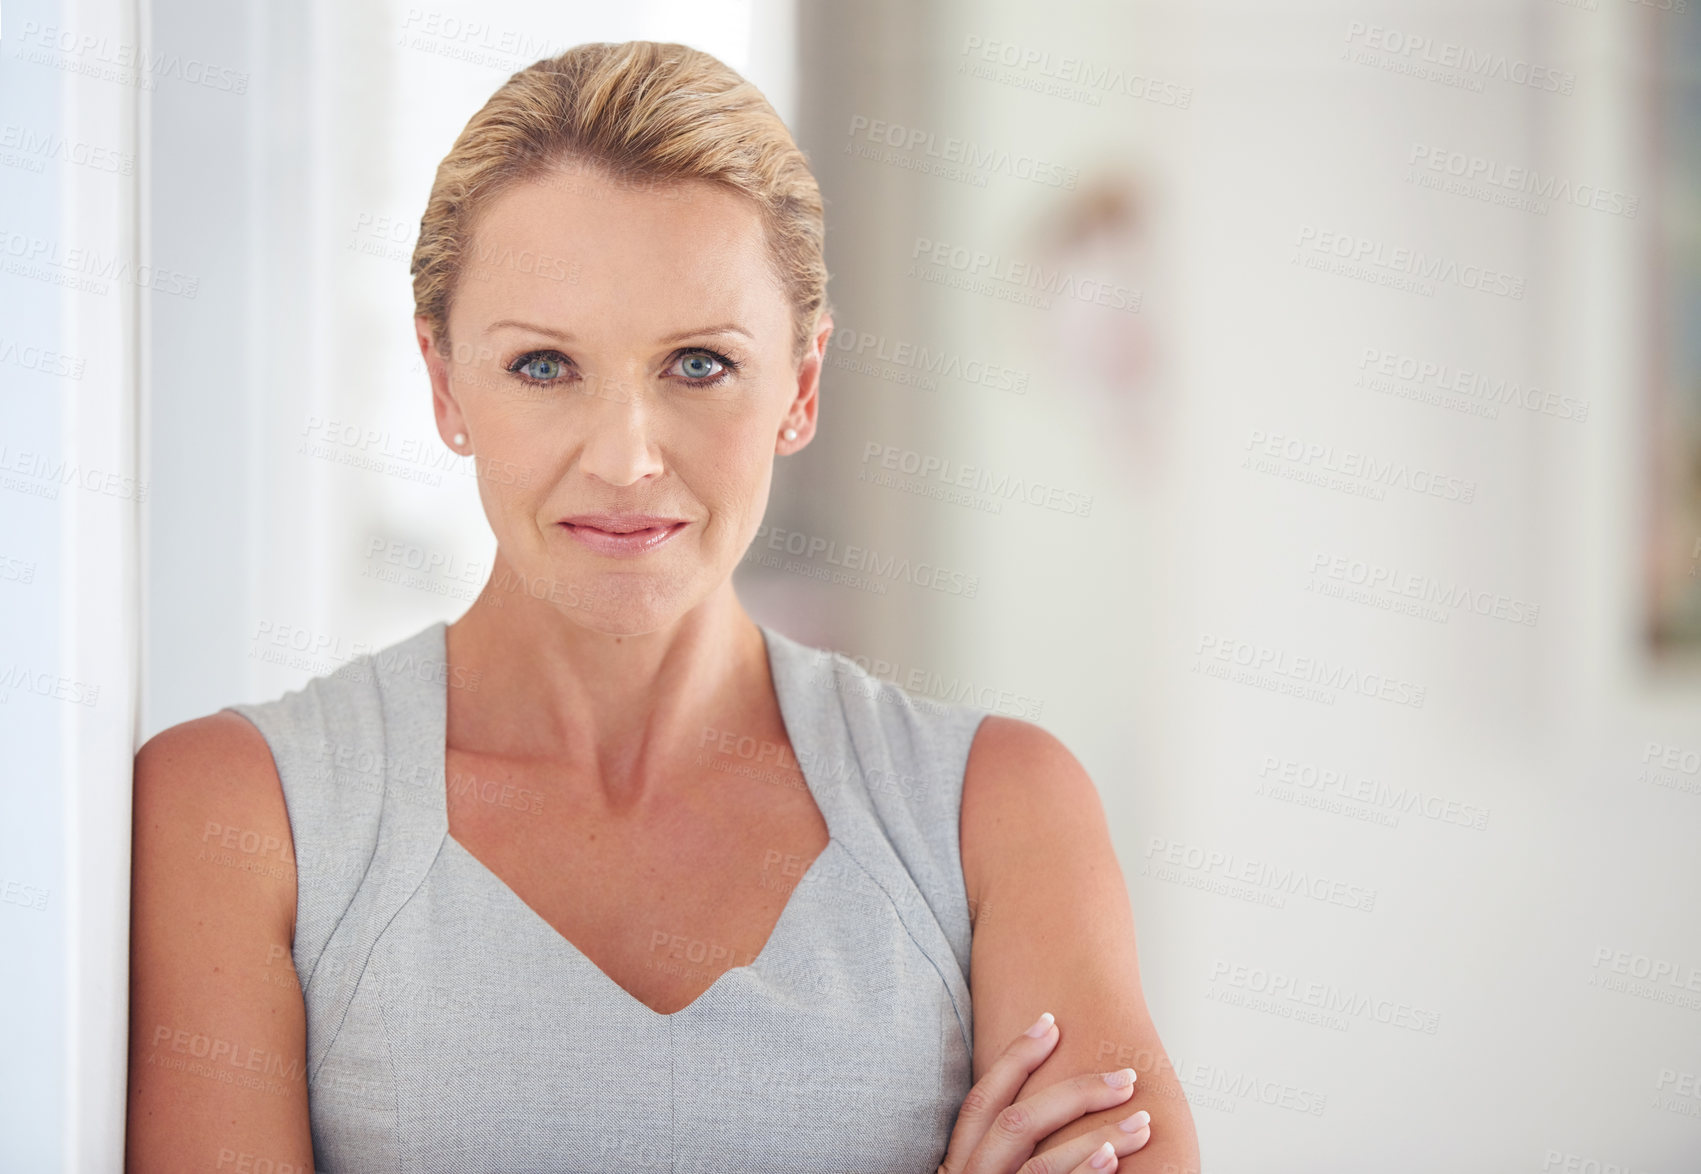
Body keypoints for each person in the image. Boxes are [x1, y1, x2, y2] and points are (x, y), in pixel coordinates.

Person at [126, 40, 1199, 1173]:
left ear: (804, 383)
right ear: (445, 385)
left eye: (698, 364)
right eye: (544, 365)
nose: (626, 459)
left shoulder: (998, 812)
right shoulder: (243, 818)